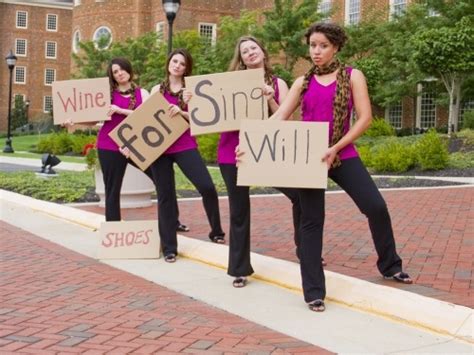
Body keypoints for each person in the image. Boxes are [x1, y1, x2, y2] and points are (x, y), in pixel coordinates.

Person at [268, 23, 412, 312]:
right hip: (309, 158)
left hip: (341, 153)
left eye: (322, 45)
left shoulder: (352, 76)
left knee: (375, 206)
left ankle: (390, 264)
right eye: (312, 46)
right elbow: (280, 116)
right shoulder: (302, 82)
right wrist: (249, 142)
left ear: (335, 47)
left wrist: (335, 146)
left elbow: (365, 118)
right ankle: (313, 292)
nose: (316, 51)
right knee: (311, 222)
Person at [219, 36, 312, 288]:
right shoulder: (229, 84)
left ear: (262, 51)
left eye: (253, 48)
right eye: (245, 51)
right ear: (241, 59)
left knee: (299, 195)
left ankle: (306, 251)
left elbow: (286, 118)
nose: (250, 53)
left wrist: (270, 97)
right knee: (239, 212)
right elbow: (213, 113)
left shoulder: (278, 82)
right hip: (233, 152)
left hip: (265, 151)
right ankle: (239, 269)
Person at [82, 57, 188, 230]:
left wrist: (120, 111)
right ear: (112, 76)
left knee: (163, 181)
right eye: (115, 72)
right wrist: (73, 122)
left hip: (138, 145)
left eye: (122, 69)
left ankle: (172, 222)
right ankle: (113, 230)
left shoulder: (143, 94)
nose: (120, 73)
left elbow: (146, 116)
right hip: (109, 146)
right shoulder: (107, 95)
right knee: (112, 190)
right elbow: (93, 120)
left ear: (129, 70)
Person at [149, 48, 225, 263]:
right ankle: (169, 248)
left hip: (184, 144)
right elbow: (144, 120)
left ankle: (216, 230)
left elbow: (201, 121)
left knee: (207, 187)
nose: (177, 66)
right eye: (175, 61)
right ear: (168, 64)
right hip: (159, 148)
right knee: (165, 196)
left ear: (186, 69)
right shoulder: (156, 89)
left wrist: (182, 110)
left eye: (182, 64)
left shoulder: (191, 90)